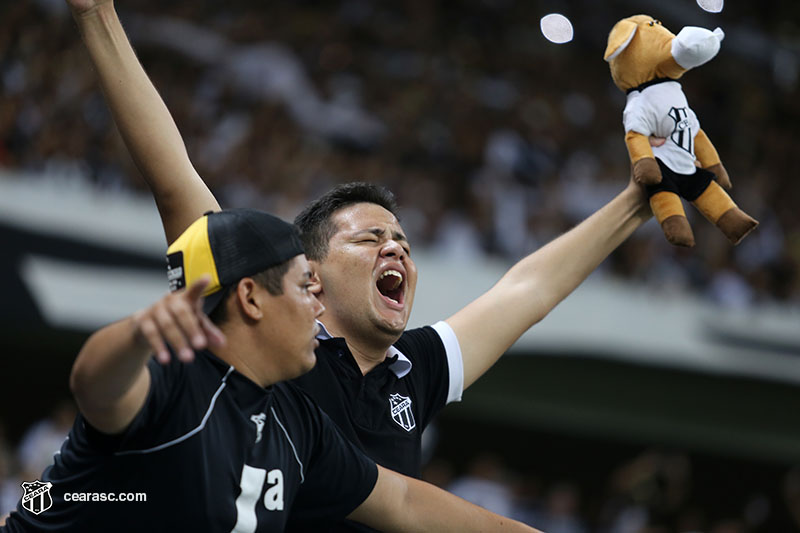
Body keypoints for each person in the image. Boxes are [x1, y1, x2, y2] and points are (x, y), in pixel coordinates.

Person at [66, 0, 651, 530]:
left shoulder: (399, 380)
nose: (395, 249)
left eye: (403, 242)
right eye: (371, 238)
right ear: (308, 277)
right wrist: (97, 14)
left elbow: (526, 291)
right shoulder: (262, 352)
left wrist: (636, 203)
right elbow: (175, 182)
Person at [0, 209, 541, 533]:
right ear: (251, 298)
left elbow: (403, 502)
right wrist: (137, 333)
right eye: (305, 287)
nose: (316, 304)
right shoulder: (179, 378)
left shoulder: (296, 423)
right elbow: (94, 385)